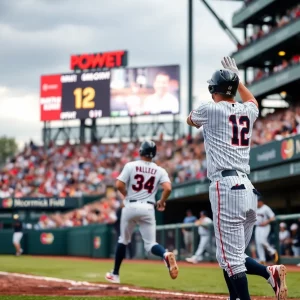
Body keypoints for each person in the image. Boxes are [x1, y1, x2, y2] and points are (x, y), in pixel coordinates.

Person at [186, 57, 287, 300]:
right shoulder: (247, 111)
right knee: (232, 256)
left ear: (213, 90)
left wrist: (231, 85)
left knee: (231, 258)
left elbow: (190, 120)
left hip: (226, 186)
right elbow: (252, 101)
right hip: (248, 190)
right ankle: (267, 273)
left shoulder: (209, 108)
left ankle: (261, 280)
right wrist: (238, 82)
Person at [105, 140, 178, 284]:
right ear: (153, 154)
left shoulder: (131, 165)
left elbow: (119, 184)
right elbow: (168, 188)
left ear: (141, 152)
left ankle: (115, 274)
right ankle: (164, 254)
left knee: (123, 240)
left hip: (130, 206)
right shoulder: (160, 170)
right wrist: (162, 201)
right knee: (150, 244)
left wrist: (127, 195)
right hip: (148, 208)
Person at [255, 198, 278, 264]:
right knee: (258, 243)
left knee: (262, 241)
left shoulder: (266, 208)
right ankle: (262, 259)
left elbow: (273, 217)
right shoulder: (256, 208)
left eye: (257, 202)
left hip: (265, 227)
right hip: (258, 227)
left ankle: (272, 251)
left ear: (261, 202)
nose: (256, 203)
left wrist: (266, 222)